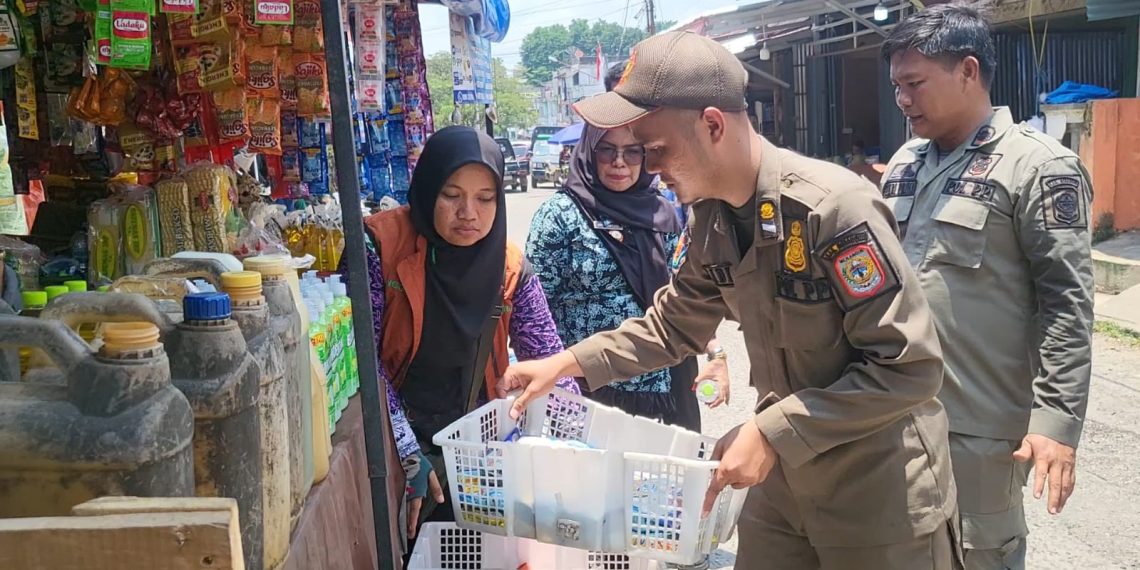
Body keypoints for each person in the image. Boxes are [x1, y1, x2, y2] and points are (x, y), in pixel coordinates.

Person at [499, 31, 959, 569]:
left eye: (655, 149)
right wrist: (565, 363)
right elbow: (672, 326)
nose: (649, 168)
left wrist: (771, 431)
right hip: (782, 484)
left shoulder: (833, 210)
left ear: (713, 126)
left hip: (876, 493)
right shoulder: (712, 217)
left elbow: (910, 368)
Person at [881, 5, 1094, 569]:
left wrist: (1056, 423)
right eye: (897, 86)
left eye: (914, 83)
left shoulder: (1038, 167)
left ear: (968, 71)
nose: (902, 99)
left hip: (978, 430)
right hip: (889, 415)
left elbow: (1066, 305)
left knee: (976, 556)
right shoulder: (903, 164)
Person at [345, 126, 580, 543]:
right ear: (428, 189)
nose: (468, 212)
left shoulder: (508, 266)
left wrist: (576, 448)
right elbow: (360, 362)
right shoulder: (377, 246)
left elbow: (547, 357)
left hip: (474, 445)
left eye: (485, 198)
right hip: (389, 434)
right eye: (451, 195)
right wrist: (405, 452)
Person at [526, 123, 729, 432]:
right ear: (589, 153)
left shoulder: (661, 213)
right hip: (586, 392)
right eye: (607, 150)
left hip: (665, 387)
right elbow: (534, 313)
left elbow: (687, 298)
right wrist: (554, 380)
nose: (619, 162)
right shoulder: (559, 216)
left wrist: (716, 354)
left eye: (632, 152)